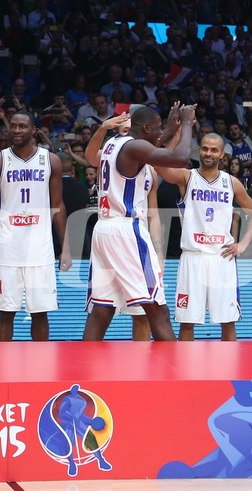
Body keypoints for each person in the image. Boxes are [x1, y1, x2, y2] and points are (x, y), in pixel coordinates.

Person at [82, 105, 196, 342]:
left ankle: (85, 374)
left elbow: (148, 147)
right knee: (157, 308)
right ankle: (175, 376)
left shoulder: (115, 144)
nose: (158, 134)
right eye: (155, 130)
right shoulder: (133, 147)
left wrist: (169, 131)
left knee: (102, 309)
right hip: (126, 231)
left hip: (104, 229)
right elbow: (181, 158)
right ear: (144, 128)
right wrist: (186, 125)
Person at [0, 110, 71, 341]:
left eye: (22, 126)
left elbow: (58, 205)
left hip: (41, 248)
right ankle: (3, 370)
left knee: (40, 313)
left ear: (33, 130)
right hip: (8, 248)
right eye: (13, 126)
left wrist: (66, 247)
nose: (16, 130)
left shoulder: (50, 160)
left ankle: (41, 367)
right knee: (6, 313)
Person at [155, 132, 252, 341]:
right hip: (193, 256)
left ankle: (227, 370)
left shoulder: (231, 182)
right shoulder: (187, 176)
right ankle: (186, 373)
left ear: (222, 154)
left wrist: (243, 243)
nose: (208, 153)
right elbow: (159, 166)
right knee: (187, 323)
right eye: (204, 148)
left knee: (227, 322)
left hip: (222, 258)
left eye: (214, 149)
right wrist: (179, 132)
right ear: (199, 150)